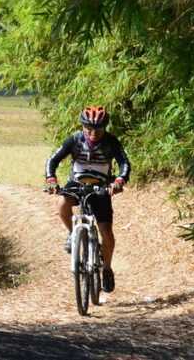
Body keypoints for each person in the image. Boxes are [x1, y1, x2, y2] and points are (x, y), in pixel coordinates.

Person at [44, 105, 130, 293]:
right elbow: (53, 160)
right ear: (82, 127)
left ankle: (107, 268)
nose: (92, 133)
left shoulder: (111, 142)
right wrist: (51, 179)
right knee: (62, 204)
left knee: (106, 231)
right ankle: (72, 233)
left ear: (104, 128)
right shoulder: (74, 140)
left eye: (98, 129)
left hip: (101, 186)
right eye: (88, 129)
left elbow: (124, 163)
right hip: (77, 182)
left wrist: (119, 180)